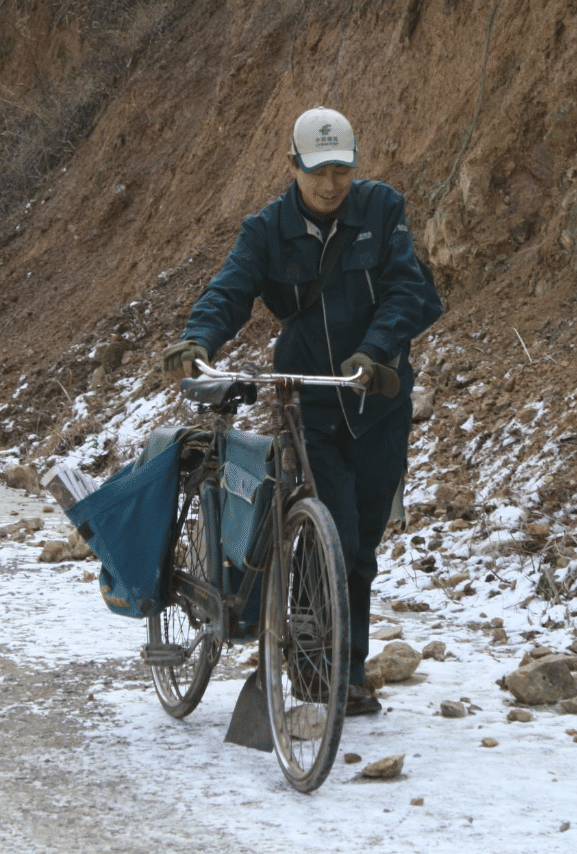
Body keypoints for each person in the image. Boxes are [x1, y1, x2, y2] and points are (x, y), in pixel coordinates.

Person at [162, 106, 443, 716]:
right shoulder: (266, 229)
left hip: (377, 399)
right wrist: (199, 338)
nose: (329, 184)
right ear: (292, 165)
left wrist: (372, 353)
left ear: (354, 167)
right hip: (308, 398)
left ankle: (349, 668)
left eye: (341, 170)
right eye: (317, 171)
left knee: (363, 543)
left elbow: (408, 291)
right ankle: (319, 672)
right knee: (330, 533)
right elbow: (231, 288)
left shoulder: (381, 210)